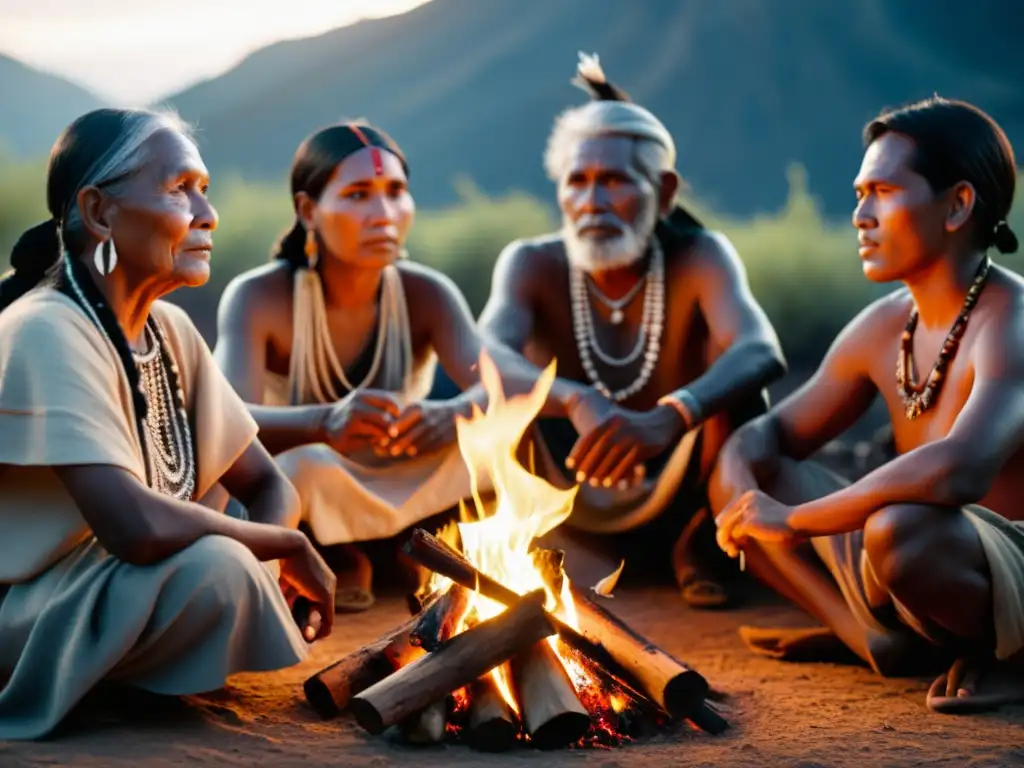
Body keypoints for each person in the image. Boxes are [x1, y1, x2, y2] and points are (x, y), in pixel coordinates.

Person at [0, 108, 337, 740]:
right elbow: (134, 528)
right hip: (30, 608)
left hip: (123, 583)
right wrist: (282, 547)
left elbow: (269, 484)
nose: (206, 214)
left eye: (204, 189)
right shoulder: (44, 327)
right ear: (100, 212)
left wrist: (264, 551)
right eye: (180, 188)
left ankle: (157, 656)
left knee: (235, 557)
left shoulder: (170, 332)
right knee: (222, 565)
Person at [713, 96, 1024, 713]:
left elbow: (960, 467)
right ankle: (872, 639)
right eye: (859, 193)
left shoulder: (1012, 321)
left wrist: (797, 520)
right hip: (917, 572)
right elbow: (768, 437)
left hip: (999, 561)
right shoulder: (883, 327)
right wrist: (743, 480)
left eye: (881, 191)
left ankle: (1005, 656)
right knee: (750, 471)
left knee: (898, 531)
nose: (860, 215)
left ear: (959, 204)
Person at [478, 54, 786, 608]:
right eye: (577, 181)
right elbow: (482, 353)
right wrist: (572, 400)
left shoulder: (700, 255)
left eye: (615, 180)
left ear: (664, 193)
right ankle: (549, 548)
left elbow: (760, 348)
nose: (591, 203)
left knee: (740, 379)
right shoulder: (530, 262)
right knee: (499, 388)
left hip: (680, 480)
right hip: (568, 480)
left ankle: (699, 545)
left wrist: (671, 417)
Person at [215, 121, 554, 610]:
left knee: (497, 441)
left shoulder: (427, 292)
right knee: (296, 469)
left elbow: (501, 386)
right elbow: (226, 424)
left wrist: (453, 413)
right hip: (314, 475)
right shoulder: (258, 297)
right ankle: (336, 552)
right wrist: (324, 423)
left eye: (396, 192)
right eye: (358, 194)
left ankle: (413, 549)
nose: (384, 214)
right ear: (308, 210)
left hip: (399, 466)